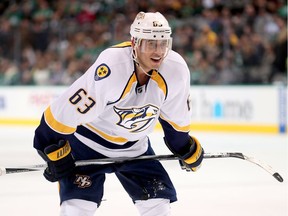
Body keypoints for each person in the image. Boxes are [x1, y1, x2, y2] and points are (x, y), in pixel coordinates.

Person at [33, 11, 204, 216]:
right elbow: (60, 116)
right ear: (135, 43)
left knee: (158, 205)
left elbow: (174, 120)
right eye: (151, 43)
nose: (158, 51)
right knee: (77, 209)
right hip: (87, 146)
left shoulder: (176, 70)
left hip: (135, 148)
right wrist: (50, 150)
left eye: (163, 43)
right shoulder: (112, 67)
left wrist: (184, 147)